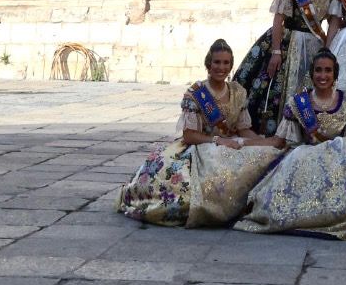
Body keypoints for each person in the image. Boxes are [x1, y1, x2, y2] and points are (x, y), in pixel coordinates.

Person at [116, 39, 279, 225]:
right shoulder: (197, 93)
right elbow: (189, 135)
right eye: (217, 62)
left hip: (231, 144)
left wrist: (264, 142)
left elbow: (244, 130)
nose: (221, 67)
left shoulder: (237, 92)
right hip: (201, 146)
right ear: (208, 64)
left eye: (226, 63)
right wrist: (218, 140)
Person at [237, 48, 346, 239]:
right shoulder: (298, 103)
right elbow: (278, 141)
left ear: (335, 74)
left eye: (328, 70)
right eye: (318, 70)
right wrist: (243, 143)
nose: (323, 75)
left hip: (340, 159)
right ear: (311, 73)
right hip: (306, 157)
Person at [235, 0, 333, 136]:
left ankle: (305, 131)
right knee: (277, 89)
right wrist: (276, 51)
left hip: (315, 46)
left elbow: (332, 22)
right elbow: (278, 19)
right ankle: (277, 133)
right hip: (288, 43)